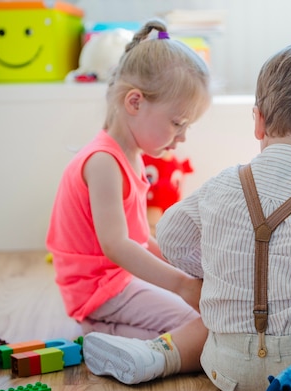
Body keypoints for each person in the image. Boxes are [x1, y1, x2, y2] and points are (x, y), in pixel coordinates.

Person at [81, 43, 291, 391]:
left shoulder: (220, 187)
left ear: (258, 121)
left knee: (217, 326)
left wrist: (224, 269)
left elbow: (170, 235)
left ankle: (159, 356)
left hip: (227, 370)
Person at [46, 18, 211, 369]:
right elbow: (117, 246)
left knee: (204, 314)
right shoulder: (104, 161)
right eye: (177, 123)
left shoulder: (128, 154)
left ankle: (102, 330)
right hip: (100, 289)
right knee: (206, 331)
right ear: (135, 102)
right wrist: (182, 286)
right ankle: (108, 333)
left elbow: (140, 239)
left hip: (113, 282)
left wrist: (192, 271)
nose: (181, 137)